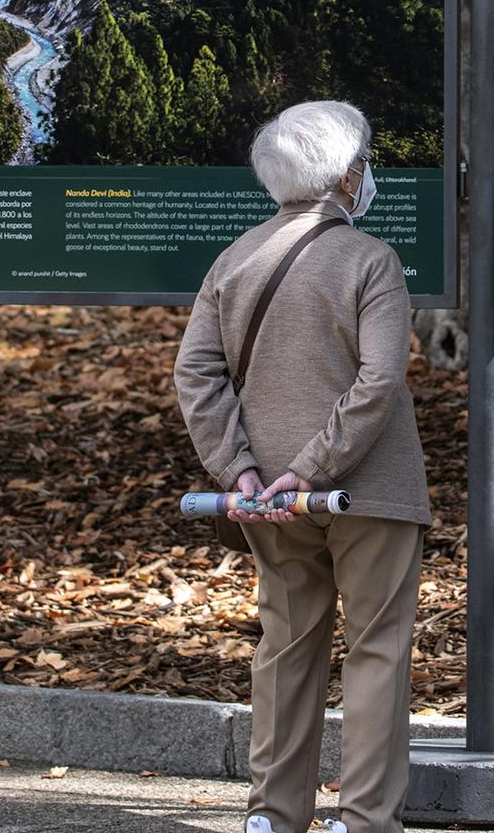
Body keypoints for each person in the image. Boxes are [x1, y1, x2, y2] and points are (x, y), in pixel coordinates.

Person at [174, 101, 432, 833]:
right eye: (366, 162)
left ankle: (271, 816)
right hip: (368, 489)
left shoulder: (233, 259)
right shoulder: (369, 259)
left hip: (265, 497)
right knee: (377, 647)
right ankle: (363, 820)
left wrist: (241, 471)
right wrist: (316, 468)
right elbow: (379, 379)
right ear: (348, 175)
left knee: (284, 645)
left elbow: (195, 374)